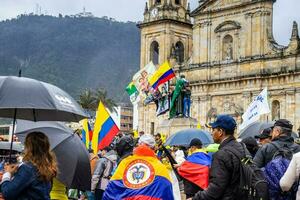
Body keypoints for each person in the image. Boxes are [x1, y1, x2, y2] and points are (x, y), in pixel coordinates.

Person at [103, 134, 174, 200]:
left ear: (138, 145)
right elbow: (166, 191)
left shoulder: (125, 162)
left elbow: (112, 188)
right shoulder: (160, 167)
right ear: (154, 148)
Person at [191, 114, 246, 200]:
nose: (211, 133)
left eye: (213, 129)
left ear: (220, 132)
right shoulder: (242, 147)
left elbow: (216, 188)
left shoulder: (221, 154)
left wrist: (195, 198)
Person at [1, 132, 57, 200]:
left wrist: (7, 173)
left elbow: (7, 193)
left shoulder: (28, 168)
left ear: (29, 147)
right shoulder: (47, 167)